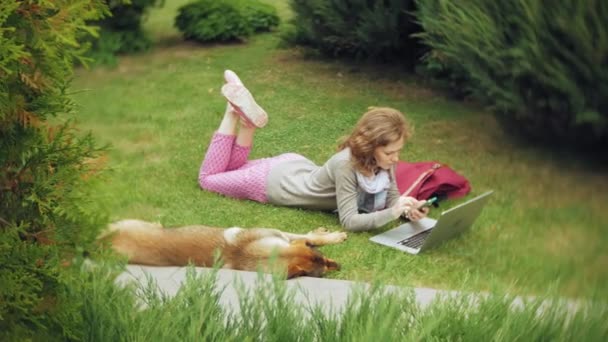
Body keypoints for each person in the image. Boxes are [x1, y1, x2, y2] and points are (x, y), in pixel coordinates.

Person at [198, 70, 429, 232]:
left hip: (293, 167)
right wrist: (392, 213)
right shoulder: (346, 165)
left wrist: (409, 210)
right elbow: (349, 221)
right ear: (371, 146)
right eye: (390, 153)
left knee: (231, 168)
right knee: (209, 179)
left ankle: (247, 123)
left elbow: (392, 200)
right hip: (272, 183)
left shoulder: (383, 161)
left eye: (398, 151)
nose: (396, 158)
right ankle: (232, 112)